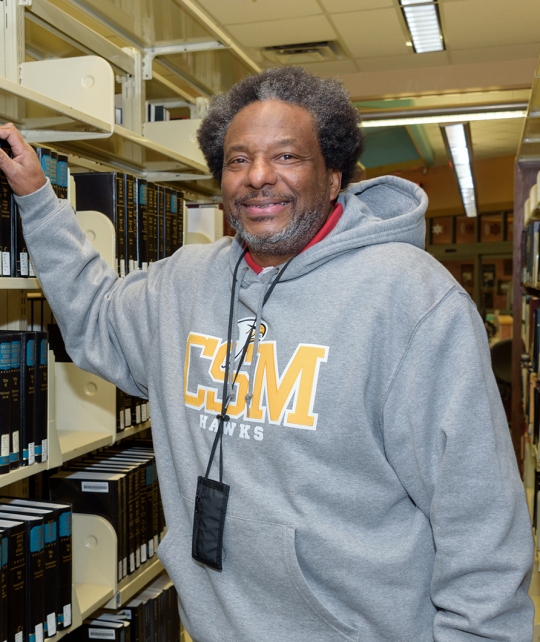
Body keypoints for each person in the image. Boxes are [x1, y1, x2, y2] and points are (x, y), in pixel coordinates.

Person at [0, 67, 534, 642]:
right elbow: (96, 317)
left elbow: (480, 526)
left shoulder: (414, 302)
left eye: (286, 157)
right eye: (237, 160)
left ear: (333, 177)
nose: (258, 177)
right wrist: (37, 199)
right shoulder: (185, 283)